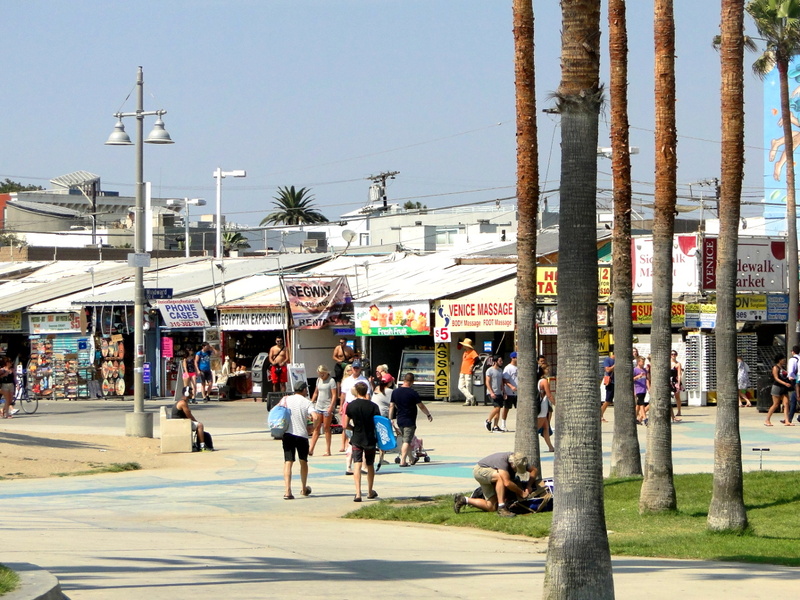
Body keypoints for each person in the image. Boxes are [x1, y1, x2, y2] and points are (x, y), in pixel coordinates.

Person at [453, 451, 546, 518]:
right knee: (501, 477)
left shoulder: (520, 460)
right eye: (516, 469)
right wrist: (522, 493)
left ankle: (463, 500)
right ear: (512, 464)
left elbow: (534, 470)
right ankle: (502, 508)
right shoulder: (503, 461)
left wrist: (529, 486)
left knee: (491, 507)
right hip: (480, 471)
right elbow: (507, 482)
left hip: (491, 474)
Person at [345, 381, 380, 502]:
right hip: (370, 438)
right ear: (366, 392)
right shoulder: (373, 406)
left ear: (357, 391)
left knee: (357, 464)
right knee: (370, 465)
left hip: (357, 438)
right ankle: (370, 491)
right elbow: (379, 423)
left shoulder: (351, 406)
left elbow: (344, 424)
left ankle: (358, 493)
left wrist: (353, 428)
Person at [389, 372, 432, 467]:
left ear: (404, 380)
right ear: (412, 381)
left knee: (405, 440)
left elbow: (391, 406)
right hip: (409, 420)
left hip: (400, 419)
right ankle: (403, 461)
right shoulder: (413, 393)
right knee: (406, 441)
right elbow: (421, 406)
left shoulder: (395, 392)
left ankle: (412, 459)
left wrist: (390, 418)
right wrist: (428, 414)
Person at [281, 381, 314, 500]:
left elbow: (277, 411)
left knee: (288, 462)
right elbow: (314, 416)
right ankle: (304, 488)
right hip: (302, 435)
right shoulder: (307, 402)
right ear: (304, 390)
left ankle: (287, 491)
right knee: (303, 461)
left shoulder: (286, 399)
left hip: (288, 434)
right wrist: (312, 427)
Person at [339, 359, 372, 472]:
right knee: (352, 438)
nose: (355, 369)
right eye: (354, 368)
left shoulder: (364, 381)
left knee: (356, 439)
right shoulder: (346, 380)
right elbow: (343, 395)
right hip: (349, 406)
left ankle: (361, 465)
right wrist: (341, 407)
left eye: (357, 368)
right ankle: (349, 466)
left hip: (359, 407)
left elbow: (367, 396)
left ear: (360, 369)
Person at [309, 365, 337, 457]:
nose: (321, 376)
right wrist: (311, 402)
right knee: (316, 427)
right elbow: (316, 392)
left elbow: (334, 395)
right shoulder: (318, 380)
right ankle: (311, 449)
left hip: (327, 406)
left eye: (322, 374)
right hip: (319, 406)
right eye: (320, 374)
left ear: (326, 372)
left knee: (326, 427)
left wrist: (331, 407)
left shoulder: (331, 381)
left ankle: (328, 449)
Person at [370, 372, 394, 470]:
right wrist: (390, 419)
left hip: (373, 415)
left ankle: (377, 458)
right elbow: (392, 405)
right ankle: (381, 459)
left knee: (375, 437)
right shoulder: (389, 391)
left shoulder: (376, 388)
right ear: (390, 382)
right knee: (382, 438)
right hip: (382, 416)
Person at [766, 354, 793, 426]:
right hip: (777, 387)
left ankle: (787, 420)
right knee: (775, 404)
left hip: (784, 388)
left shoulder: (783, 367)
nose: (784, 360)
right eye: (783, 359)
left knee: (786, 404)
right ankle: (767, 420)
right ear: (779, 360)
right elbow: (776, 378)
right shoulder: (776, 367)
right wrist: (784, 383)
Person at [484, 356, 506, 432]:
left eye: (502, 360)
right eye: (500, 361)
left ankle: (495, 426)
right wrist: (491, 392)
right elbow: (487, 382)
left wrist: (504, 392)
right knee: (497, 408)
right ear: (495, 361)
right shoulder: (489, 370)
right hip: (492, 392)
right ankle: (488, 420)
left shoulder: (500, 370)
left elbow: (501, 383)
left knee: (499, 409)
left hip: (499, 392)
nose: (501, 362)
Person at [537, 364, 555, 452]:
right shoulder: (544, 381)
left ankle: (551, 447)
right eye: (547, 369)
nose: (548, 370)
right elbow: (549, 395)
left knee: (546, 426)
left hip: (541, 404)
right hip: (542, 405)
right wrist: (555, 403)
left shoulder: (536, 380)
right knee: (538, 426)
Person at [458, 338, 479, 406]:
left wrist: (472, 365)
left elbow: (477, 359)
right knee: (460, 386)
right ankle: (471, 397)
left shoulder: (472, 352)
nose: (463, 346)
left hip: (468, 371)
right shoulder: (465, 352)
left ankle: (468, 401)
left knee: (468, 386)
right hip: (462, 371)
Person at [500, 352, 518, 432]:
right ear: (513, 358)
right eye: (517, 357)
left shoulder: (519, 367)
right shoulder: (508, 368)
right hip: (510, 392)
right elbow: (505, 380)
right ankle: (503, 424)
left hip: (518, 392)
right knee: (507, 408)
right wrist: (511, 386)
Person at [600, 348, 615, 422]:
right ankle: (600, 414)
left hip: (618, 382)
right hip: (611, 382)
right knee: (608, 400)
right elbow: (607, 370)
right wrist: (614, 366)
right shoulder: (608, 360)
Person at [634, 356, 649, 425]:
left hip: (643, 389)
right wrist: (638, 376)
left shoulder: (644, 370)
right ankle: (645, 418)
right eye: (642, 362)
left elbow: (647, 380)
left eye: (644, 362)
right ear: (638, 362)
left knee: (638, 404)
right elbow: (631, 379)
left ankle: (635, 418)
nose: (643, 363)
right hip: (638, 388)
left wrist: (648, 388)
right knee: (642, 404)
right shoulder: (635, 370)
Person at [787, 345, 800, 421]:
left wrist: (790, 377)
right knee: (794, 398)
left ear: (793, 351)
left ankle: (789, 418)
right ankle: (789, 418)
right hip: (798, 379)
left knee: (795, 397)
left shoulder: (792, 359)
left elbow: (791, 371)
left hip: (796, 380)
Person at [670, 350, 684, 422]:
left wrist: (678, 383)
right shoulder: (668, 363)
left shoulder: (678, 364)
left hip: (675, 381)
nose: (673, 355)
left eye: (674, 354)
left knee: (677, 396)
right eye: (672, 354)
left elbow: (679, 374)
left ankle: (679, 411)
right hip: (669, 381)